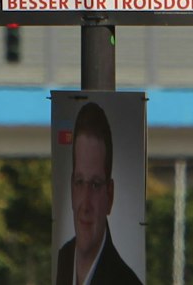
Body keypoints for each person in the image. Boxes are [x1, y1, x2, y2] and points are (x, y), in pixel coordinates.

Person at [56, 101, 143, 285]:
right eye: (80, 182)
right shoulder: (61, 260)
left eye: (95, 185)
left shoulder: (127, 282)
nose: (85, 204)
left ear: (109, 196)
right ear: (72, 189)